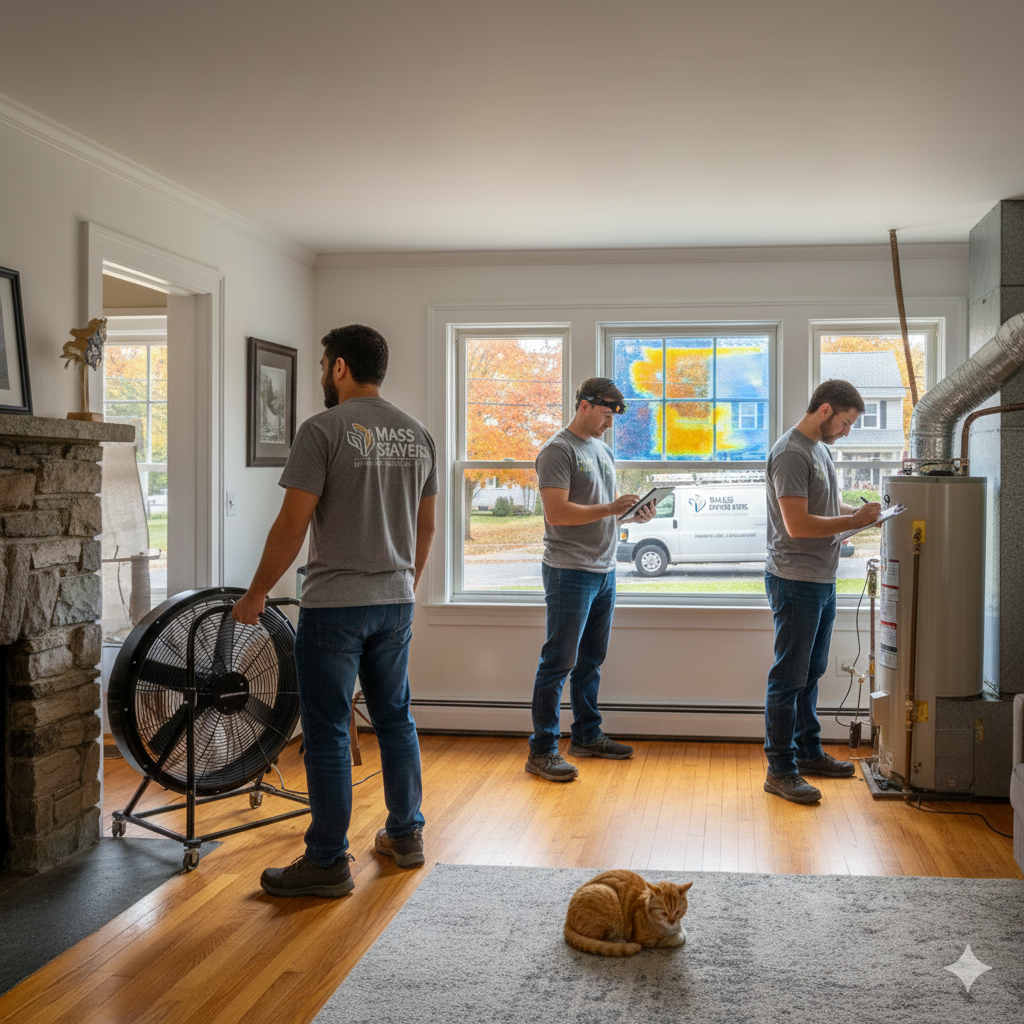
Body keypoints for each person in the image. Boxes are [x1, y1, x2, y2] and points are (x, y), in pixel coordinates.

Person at [232, 324, 437, 897]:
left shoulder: (322, 430)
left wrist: (255, 593)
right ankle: (406, 835)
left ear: (340, 366)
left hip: (335, 608)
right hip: (396, 601)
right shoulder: (419, 433)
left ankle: (326, 861)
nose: (323, 373)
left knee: (325, 731)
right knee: (395, 719)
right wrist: (405, 585)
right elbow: (427, 527)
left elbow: (291, 525)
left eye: (324, 364)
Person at [525, 376, 655, 782]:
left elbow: (600, 511)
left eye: (614, 417)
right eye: (605, 415)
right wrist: (611, 507)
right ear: (584, 406)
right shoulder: (557, 450)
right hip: (569, 571)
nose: (610, 425)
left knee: (591, 661)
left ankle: (586, 735)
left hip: (604, 569)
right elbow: (557, 513)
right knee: (557, 662)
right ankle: (542, 751)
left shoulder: (601, 449)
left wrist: (630, 514)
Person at [762, 379, 881, 804]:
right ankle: (780, 770)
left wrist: (865, 514)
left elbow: (826, 508)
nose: (846, 432)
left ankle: (808, 753)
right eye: (845, 423)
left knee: (810, 673)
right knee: (788, 678)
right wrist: (853, 522)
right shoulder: (791, 454)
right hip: (795, 580)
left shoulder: (819, 450)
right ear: (826, 410)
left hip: (820, 579)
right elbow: (797, 524)